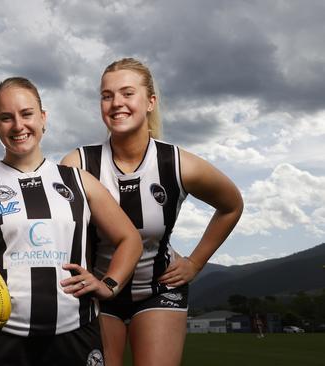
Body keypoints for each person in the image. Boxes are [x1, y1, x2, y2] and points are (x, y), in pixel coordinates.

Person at [0, 77, 143, 366]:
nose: (18, 126)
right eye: (6, 118)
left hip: (76, 335)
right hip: (1, 340)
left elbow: (129, 238)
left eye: (27, 114)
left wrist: (109, 284)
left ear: (43, 118)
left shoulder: (78, 181)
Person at [61, 58, 244, 366]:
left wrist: (196, 262)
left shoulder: (177, 164)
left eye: (127, 93)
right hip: (97, 293)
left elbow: (232, 205)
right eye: (107, 95)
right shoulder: (79, 164)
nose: (116, 102)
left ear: (150, 101)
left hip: (160, 291)